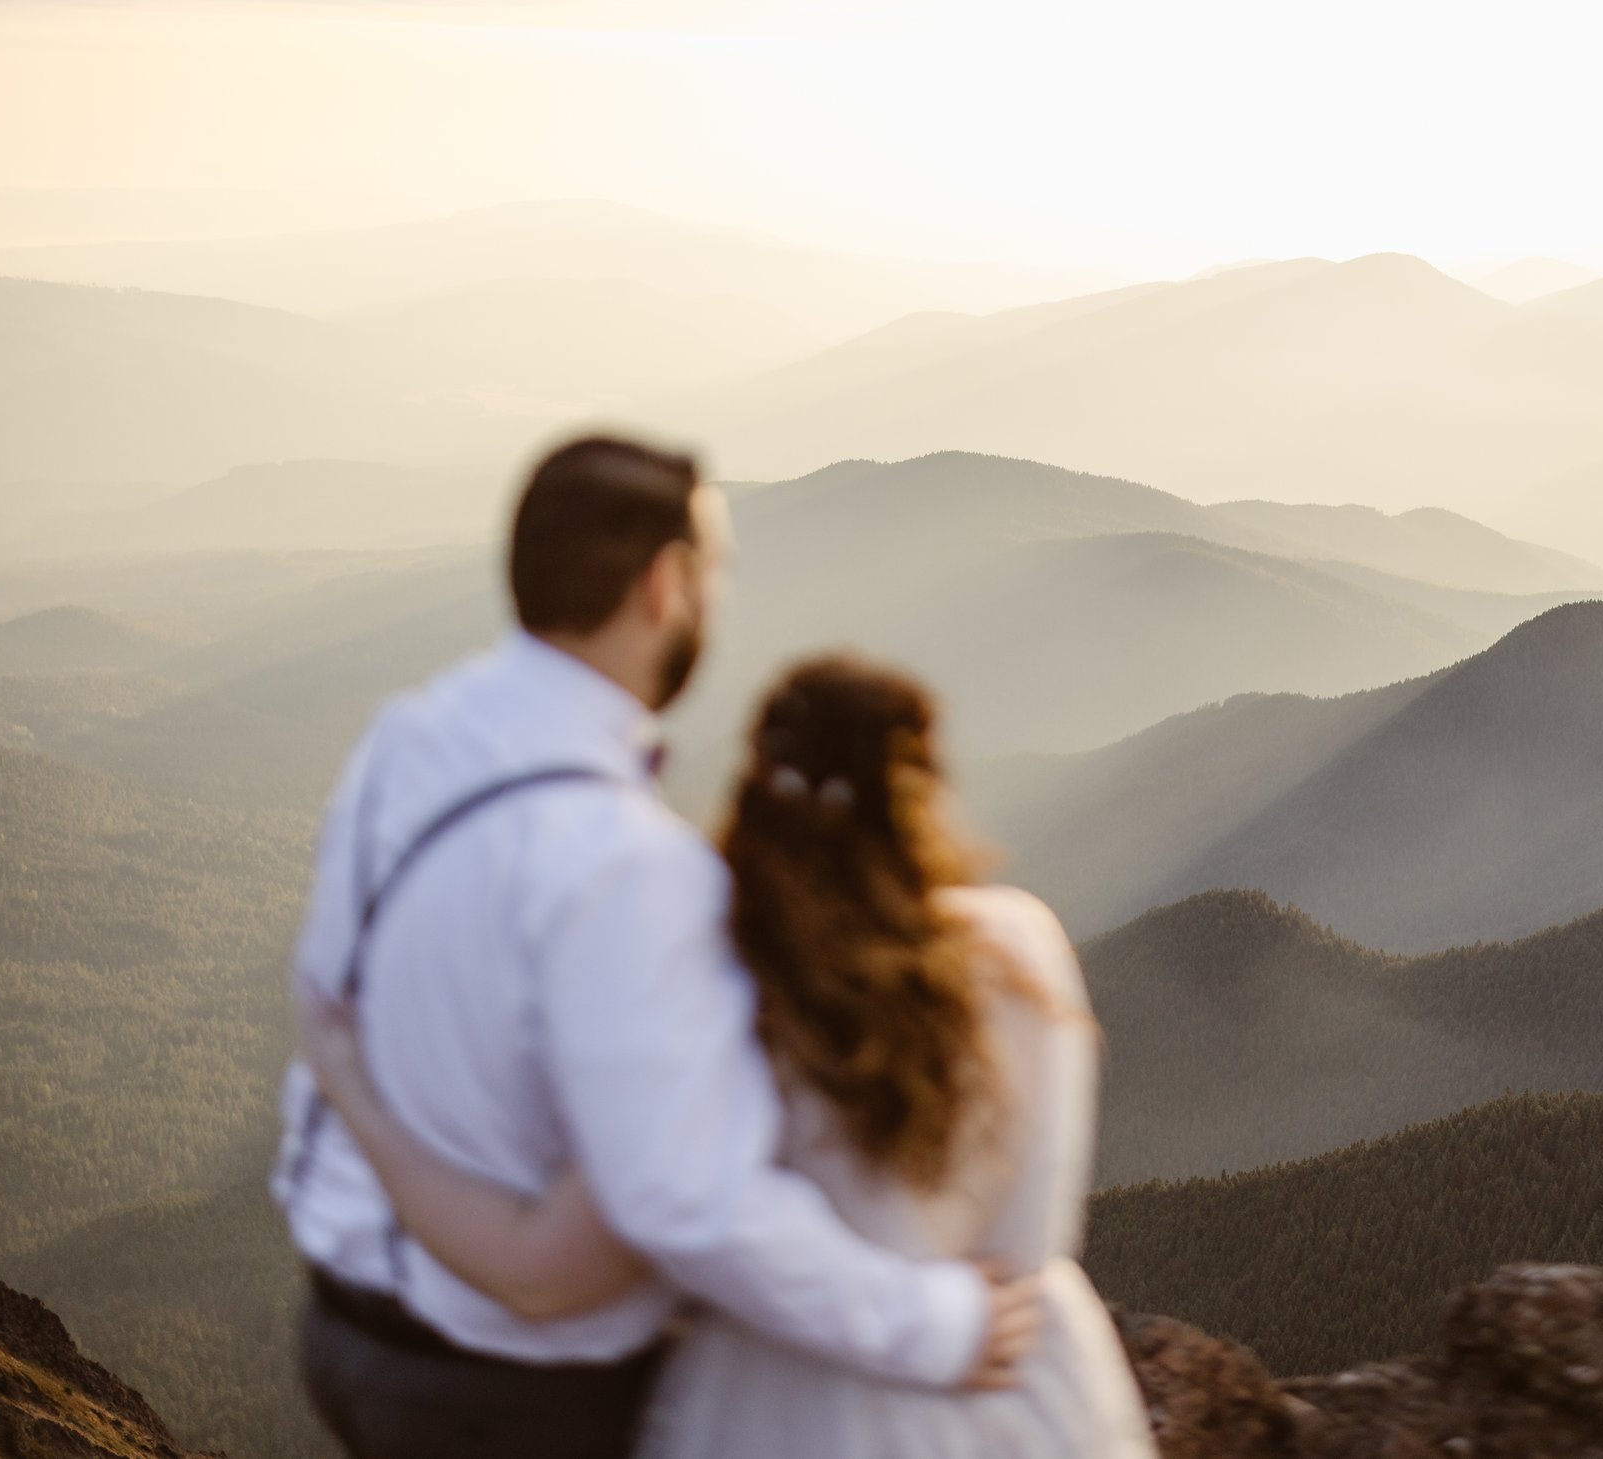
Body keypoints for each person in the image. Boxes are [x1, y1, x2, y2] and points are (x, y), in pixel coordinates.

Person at [272, 435, 1042, 1459]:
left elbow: (337, 998)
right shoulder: (631, 866)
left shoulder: (403, 740)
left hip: (341, 1328)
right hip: (511, 1394)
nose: (714, 599)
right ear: (663, 583)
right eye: (715, 570)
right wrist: (934, 1324)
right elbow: (693, 1203)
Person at [296, 653, 1157, 1459]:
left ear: (757, 788)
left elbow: (699, 1223)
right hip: (1030, 1388)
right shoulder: (1024, 948)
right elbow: (1042, 1217)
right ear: (922, 796)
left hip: (788, 1407)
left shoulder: (724, 982)